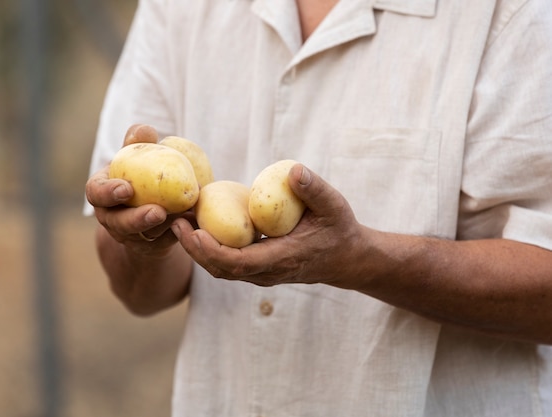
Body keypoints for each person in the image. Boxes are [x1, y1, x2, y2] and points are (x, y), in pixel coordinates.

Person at [85, 0, 552, 415]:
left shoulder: (513, 14)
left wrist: (362, 261)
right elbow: (140, 295)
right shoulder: (177, 10)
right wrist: (144, 244)